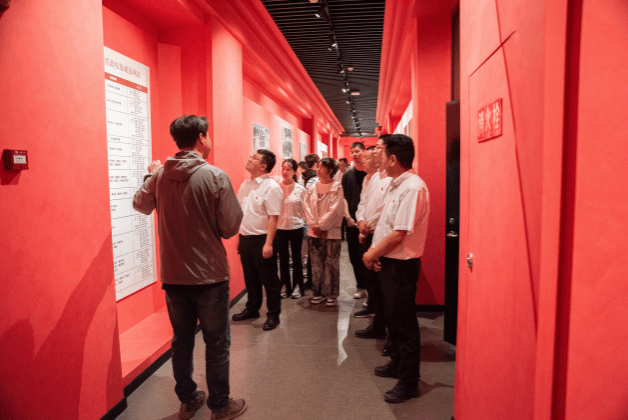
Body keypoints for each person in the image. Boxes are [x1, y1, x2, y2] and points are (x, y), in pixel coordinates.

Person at [133, 115, 247, 420]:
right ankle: (220, 406)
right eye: (208, 135)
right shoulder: (215, 176)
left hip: (174, 276)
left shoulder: (159, 176)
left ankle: (188, 400)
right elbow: (230, 227)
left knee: (181, 341)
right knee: (217, 343)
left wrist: (151, 176)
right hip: (210, 276)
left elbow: (140, 205)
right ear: (200, 137)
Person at [363, 134, 430, 404]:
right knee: (392, 319)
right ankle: (397, 363)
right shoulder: (395, 184)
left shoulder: (412, 188)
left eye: (381, 153)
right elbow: (385, 225)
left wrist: (371, 253)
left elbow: (399, 232)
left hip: (402, 265)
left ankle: (409, 381)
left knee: (403, 323)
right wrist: (377, 253)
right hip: (390, 261)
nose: (376, 157)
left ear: (393, 159)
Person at [232, 149, 284, 331]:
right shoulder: (246, 184)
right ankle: (252, 308)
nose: (249, 159)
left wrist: (268, 244)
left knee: (269, 280)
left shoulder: (271, 187)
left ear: (263, 165)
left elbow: (273, 218)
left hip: (263, 239)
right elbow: (241, 213)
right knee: (250, 278)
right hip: (246, 238)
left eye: (254, 158)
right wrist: (240, 236)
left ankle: (273, 315)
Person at [353, 143, 392, 344]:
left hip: (380, 235)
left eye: (376, 153)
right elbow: (363, 203)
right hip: (368, 232)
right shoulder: (373, 178)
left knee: (382, 287)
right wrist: (361, 222)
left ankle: (383, 327)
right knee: (372, 283)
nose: (365, 159)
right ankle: (378, 323)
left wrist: (368, 225)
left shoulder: (391, 179)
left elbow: (385, 210)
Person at [303, 157, 345, 307]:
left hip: (331, 232)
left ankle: (331, 294)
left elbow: (336, 210)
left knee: (331, 264)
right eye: (318, 166)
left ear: (330, 170)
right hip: (314, 231)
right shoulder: (311, 187)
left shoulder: (337, 187)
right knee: (316, 264)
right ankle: (318, 292)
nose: (318, 169)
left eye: (321, 167)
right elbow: (306, 207)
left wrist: (322, 226)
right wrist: (314, 225)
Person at [275, 159, 306, 299]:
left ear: (294, 171)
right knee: (283, 259)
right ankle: (285, 285)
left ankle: (298, 285)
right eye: (283, 168)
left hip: (296, 227)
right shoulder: (276, 188)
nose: (285, 172)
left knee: (297, 258)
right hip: (280, 227)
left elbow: (305, 210)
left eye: (288, 169)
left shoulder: (300, 189)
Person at [341, 142, 367, 299]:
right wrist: (348, 217)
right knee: (354, 256)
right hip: (351, 223)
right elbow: (343, 198)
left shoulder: (371, 174)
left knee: (367, 256)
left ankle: (372, 290)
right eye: (352, 152)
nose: (354, 154)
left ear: (364, 152)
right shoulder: (347, 175)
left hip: (367, 224)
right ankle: (360, 286)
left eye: (357, 151)